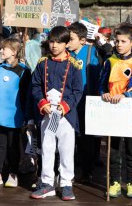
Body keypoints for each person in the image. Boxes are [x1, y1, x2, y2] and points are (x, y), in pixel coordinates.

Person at [31, 26, 83, 201]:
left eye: (59, 42)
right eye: (52, 41)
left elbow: (77, 90)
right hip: (46, 113)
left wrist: (65, 106)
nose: (54, 45)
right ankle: (47, 183)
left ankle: (66, 183)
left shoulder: (74, 65)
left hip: (65, 116)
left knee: (66, 150)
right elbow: (35, 86)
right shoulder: (42, 63)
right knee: (46, 148)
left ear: (67, 43)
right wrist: (42, 102)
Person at [98, 22, 132, 199]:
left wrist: (126, 95)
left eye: (123, 41)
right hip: (112, 112)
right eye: (117, 41)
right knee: (113, 148)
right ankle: (113, 182)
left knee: (131, 149)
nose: (119, 44)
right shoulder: (109, 61)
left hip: (131, 113)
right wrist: (103, 94)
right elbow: (102, 83)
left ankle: (131, 182)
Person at [0, 38, 31, 188]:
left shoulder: (24, 71)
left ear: (15, 52)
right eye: (1, 48)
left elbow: (26, 95)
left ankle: (12, 173)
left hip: (15, 114)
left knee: (13, 144)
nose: (1, 51)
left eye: (5, 48)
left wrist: (27, 117)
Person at [66, 22, 101, 182]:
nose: (67, 42)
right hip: (70, 103)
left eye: (71, 39)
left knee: (86, 139)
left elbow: (98, 77)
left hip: (87, 102)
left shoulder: (91, 52)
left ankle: (87, 172)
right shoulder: (67, 54)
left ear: (82, 40)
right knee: (70, 138)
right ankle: (71, 170)